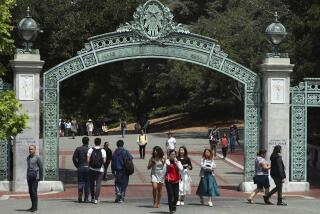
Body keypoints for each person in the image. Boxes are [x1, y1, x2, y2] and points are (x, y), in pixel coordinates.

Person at [87, 138, 106, 204]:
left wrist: (90, 165)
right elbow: (104, 161)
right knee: (98, 185)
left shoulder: (90, 150)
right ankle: (96, 199)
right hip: (100, 170)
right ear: (100, 143)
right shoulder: (103, 150)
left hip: (91, 169)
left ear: (94, 142)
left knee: (92, 184)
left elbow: (88, 160)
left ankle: (92, 198)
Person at [165, 150, 183, 214]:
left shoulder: (178, 162)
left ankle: (174, 205)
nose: (173, 156)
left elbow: (181, 169)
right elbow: (168, 165)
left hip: (176, 180)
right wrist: (170, 162)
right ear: (169, 155)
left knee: (176, 196)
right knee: (170, 195)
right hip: (168, 180)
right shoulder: (167, 161)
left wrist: (176, 162)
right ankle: (171, 209)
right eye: (172, 154)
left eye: (174, 154)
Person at [72, 137, 90, 202]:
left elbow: (74, 158)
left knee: (80, 183)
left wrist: (77, 165)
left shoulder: (78, 149)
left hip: (80, 167)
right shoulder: (90, 149)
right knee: (87, 183)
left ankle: (80, 196)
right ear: (88, 142)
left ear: (82, 142)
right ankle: (86, 198)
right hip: (88, 168)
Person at [26, 145, 43, 212]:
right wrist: (27, 176)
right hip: (29, 176)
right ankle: (32, 206)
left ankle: (35, 207)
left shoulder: (37, 157)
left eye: (31, 149)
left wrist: (41, 177)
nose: (30, 150)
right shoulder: (28, 158)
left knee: (34, 191)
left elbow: (41, 167)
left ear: (35, 150)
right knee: (30, 192)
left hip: (35, 177)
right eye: (29, 149)